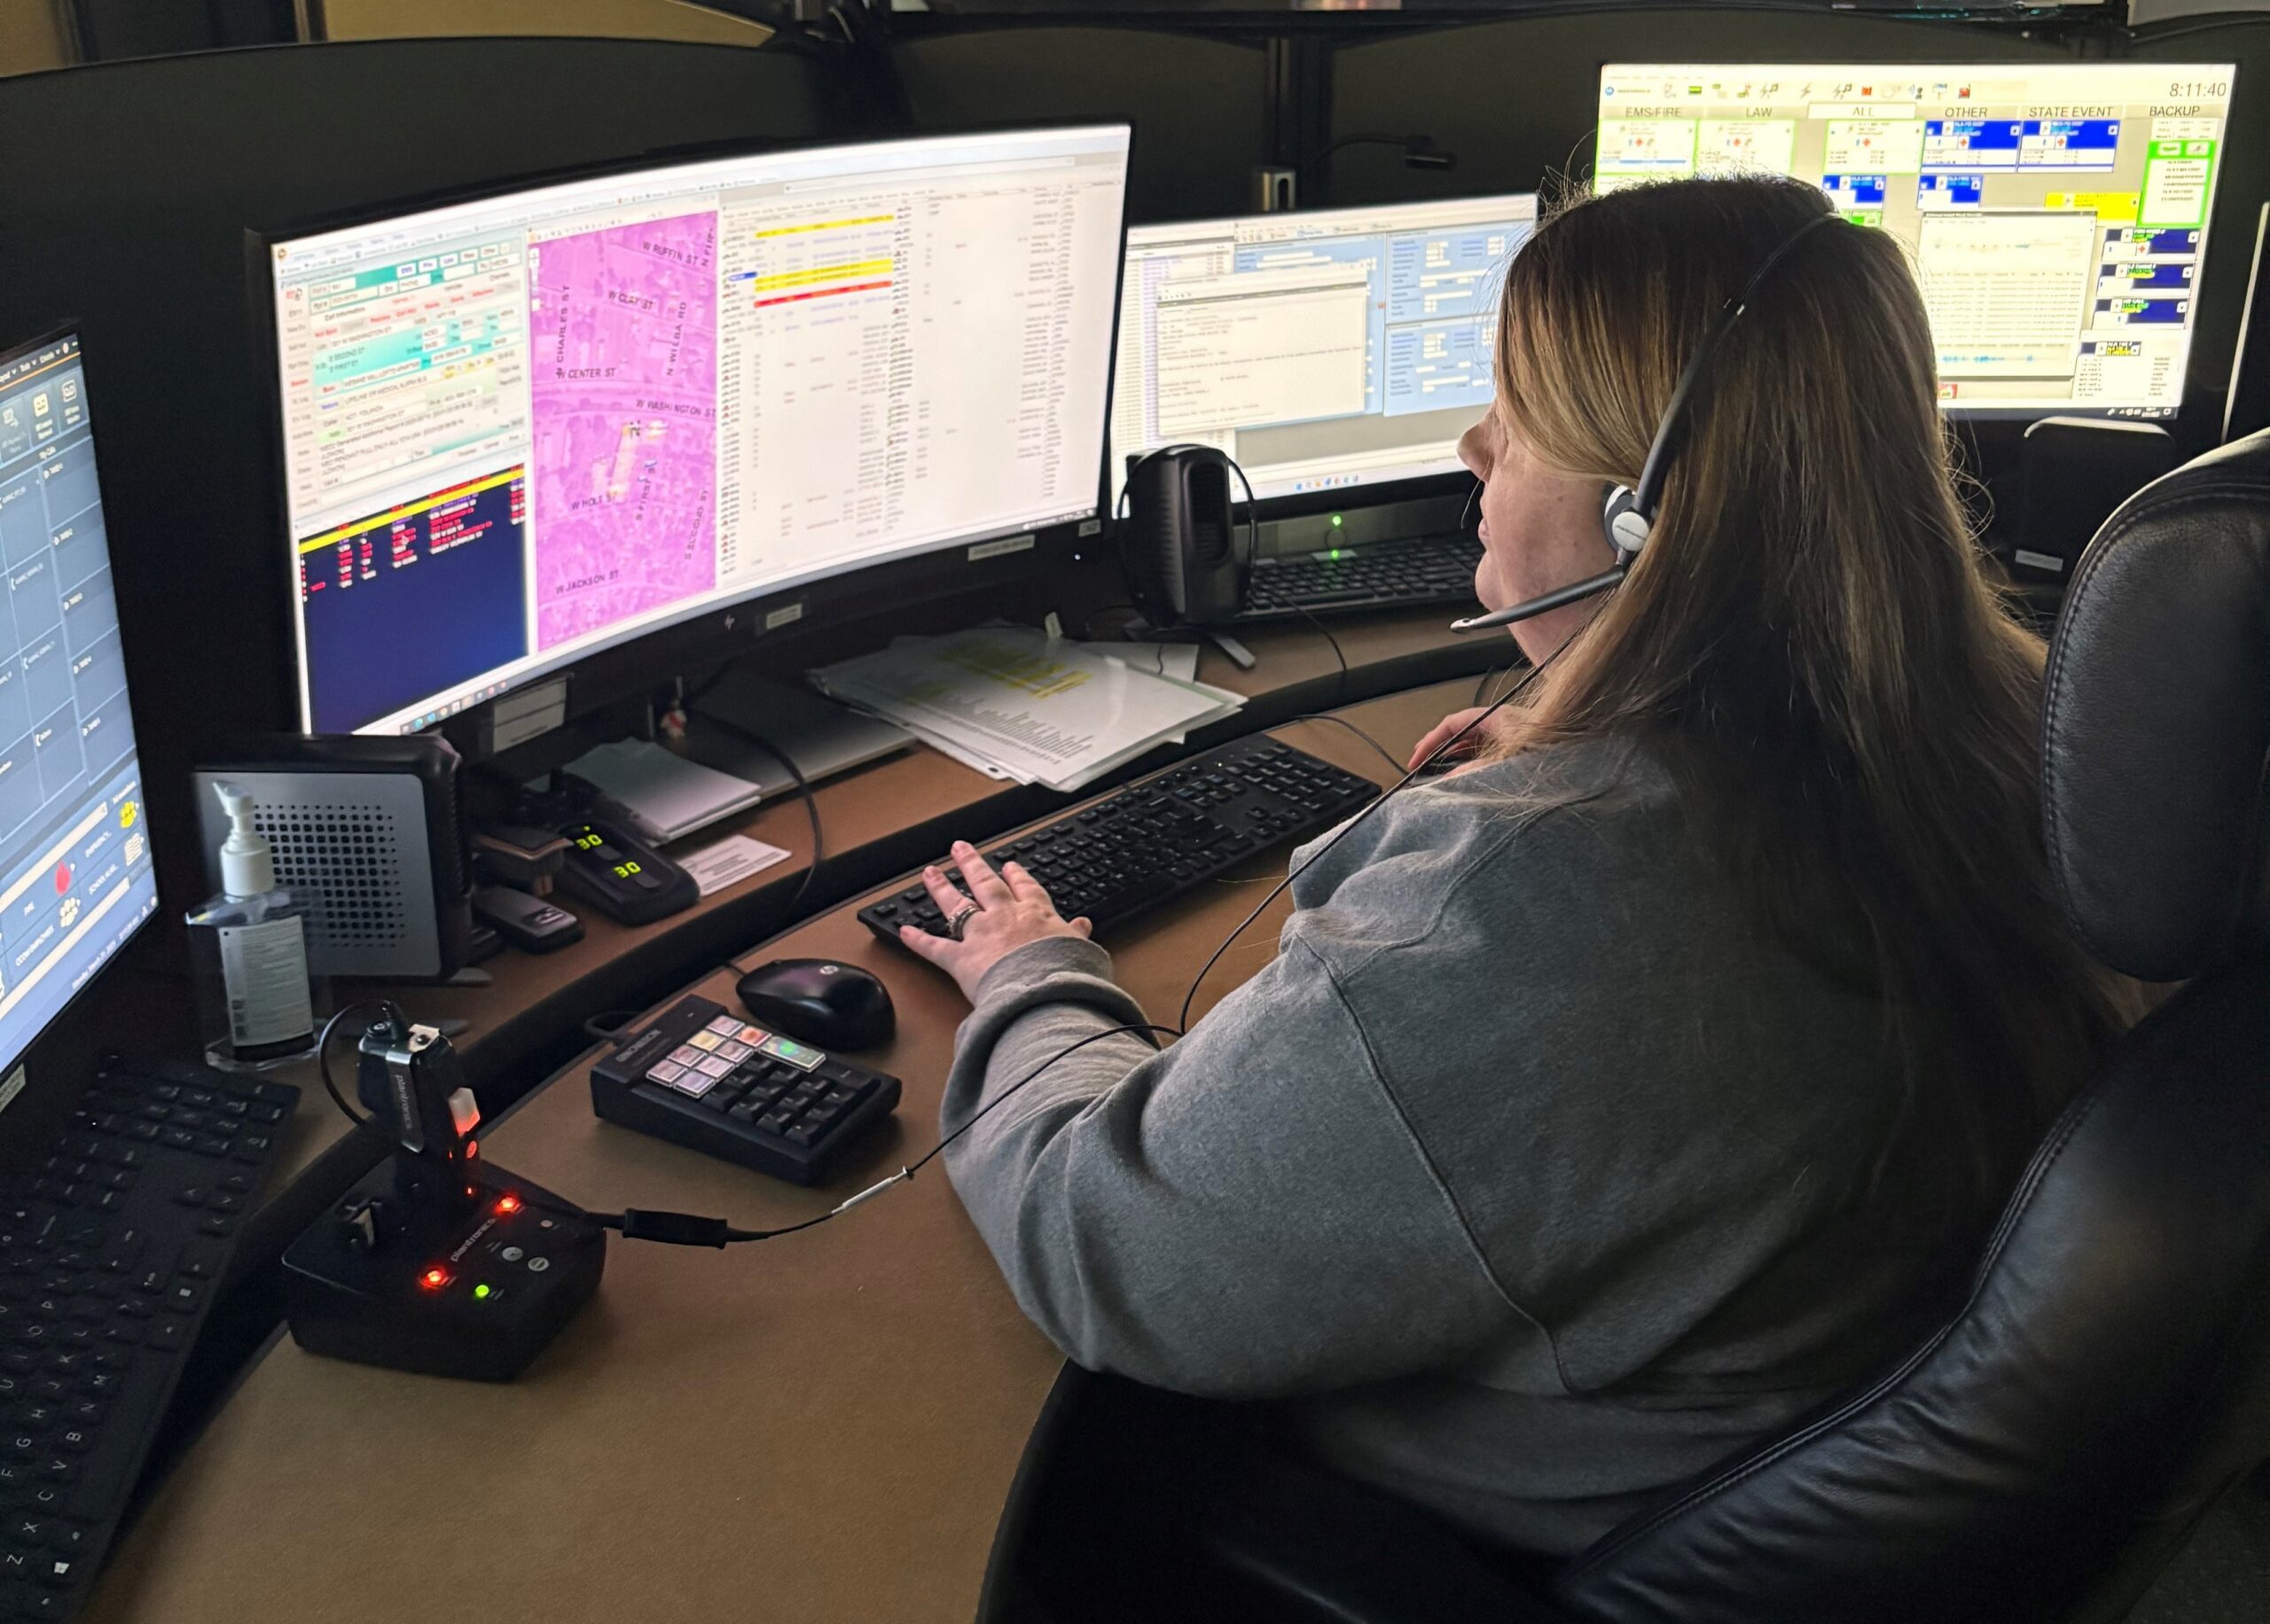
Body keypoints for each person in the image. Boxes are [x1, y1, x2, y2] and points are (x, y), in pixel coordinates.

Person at [896, 176, 2128, 1560]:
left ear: (1641, 515)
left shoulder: (1536, 896)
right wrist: (1573, 750)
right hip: (1782, 1420)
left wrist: (1035, 977)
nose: (1474, 445)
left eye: (1519, 411)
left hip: (1470, 1535)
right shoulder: (2021, 723)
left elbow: (1103, 1246)